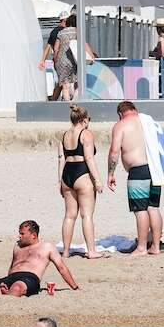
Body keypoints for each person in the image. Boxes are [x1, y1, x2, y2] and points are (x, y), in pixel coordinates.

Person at [108, 101, 163, 256]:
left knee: (140, 210)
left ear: (120, 113)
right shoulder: (149, 122)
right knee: (153, 207)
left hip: (138, 171)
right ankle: (156, 247)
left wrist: (110, 173)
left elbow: (114, 152)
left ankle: (142, 247)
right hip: (155, 169)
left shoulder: (121, 125)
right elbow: (163, 144)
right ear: (135, 110)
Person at [0, 221, 79, 297]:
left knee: (16, 288)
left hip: (29, 279)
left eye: (22, 234)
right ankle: (6, 293)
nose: (19, 236)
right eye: (19, 233)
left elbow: (62, 268)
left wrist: (75, 287)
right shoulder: (18, 245)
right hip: (10, 278)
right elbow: (12, 266)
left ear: (33, 235)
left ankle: (8, 293)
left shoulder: (47, 246)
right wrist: (7, 280)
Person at [59, 105, 106, 259]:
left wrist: (60, 181)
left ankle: (66, 251)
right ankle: (91, 251)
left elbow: (61, 159)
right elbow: (89, 158)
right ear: (84, 120)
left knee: (69, 215)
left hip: (67, 174)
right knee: (86, 215)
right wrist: (97, 180)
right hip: (82, 173)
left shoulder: (64, 135)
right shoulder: (86, 134)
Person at [54, 15, 94, 101]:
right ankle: (76, 102)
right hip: (75, 60)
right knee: (77, 83)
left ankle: (68, 105)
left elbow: (56, 49)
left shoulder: (60, 33)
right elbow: (84, 44)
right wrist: (91, 56)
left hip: (62, 61)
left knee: (65, 85)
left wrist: (55, 60)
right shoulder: (77, 32)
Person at [39, 15, 66, 100]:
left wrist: (43, 60)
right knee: (64, 83)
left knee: (60, 82)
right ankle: (61, 100)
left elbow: (48, 47)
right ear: (64, 20)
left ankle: (54, 100)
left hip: (57, 61)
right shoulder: (66, 31)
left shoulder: (53, 32)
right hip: (64, 60)